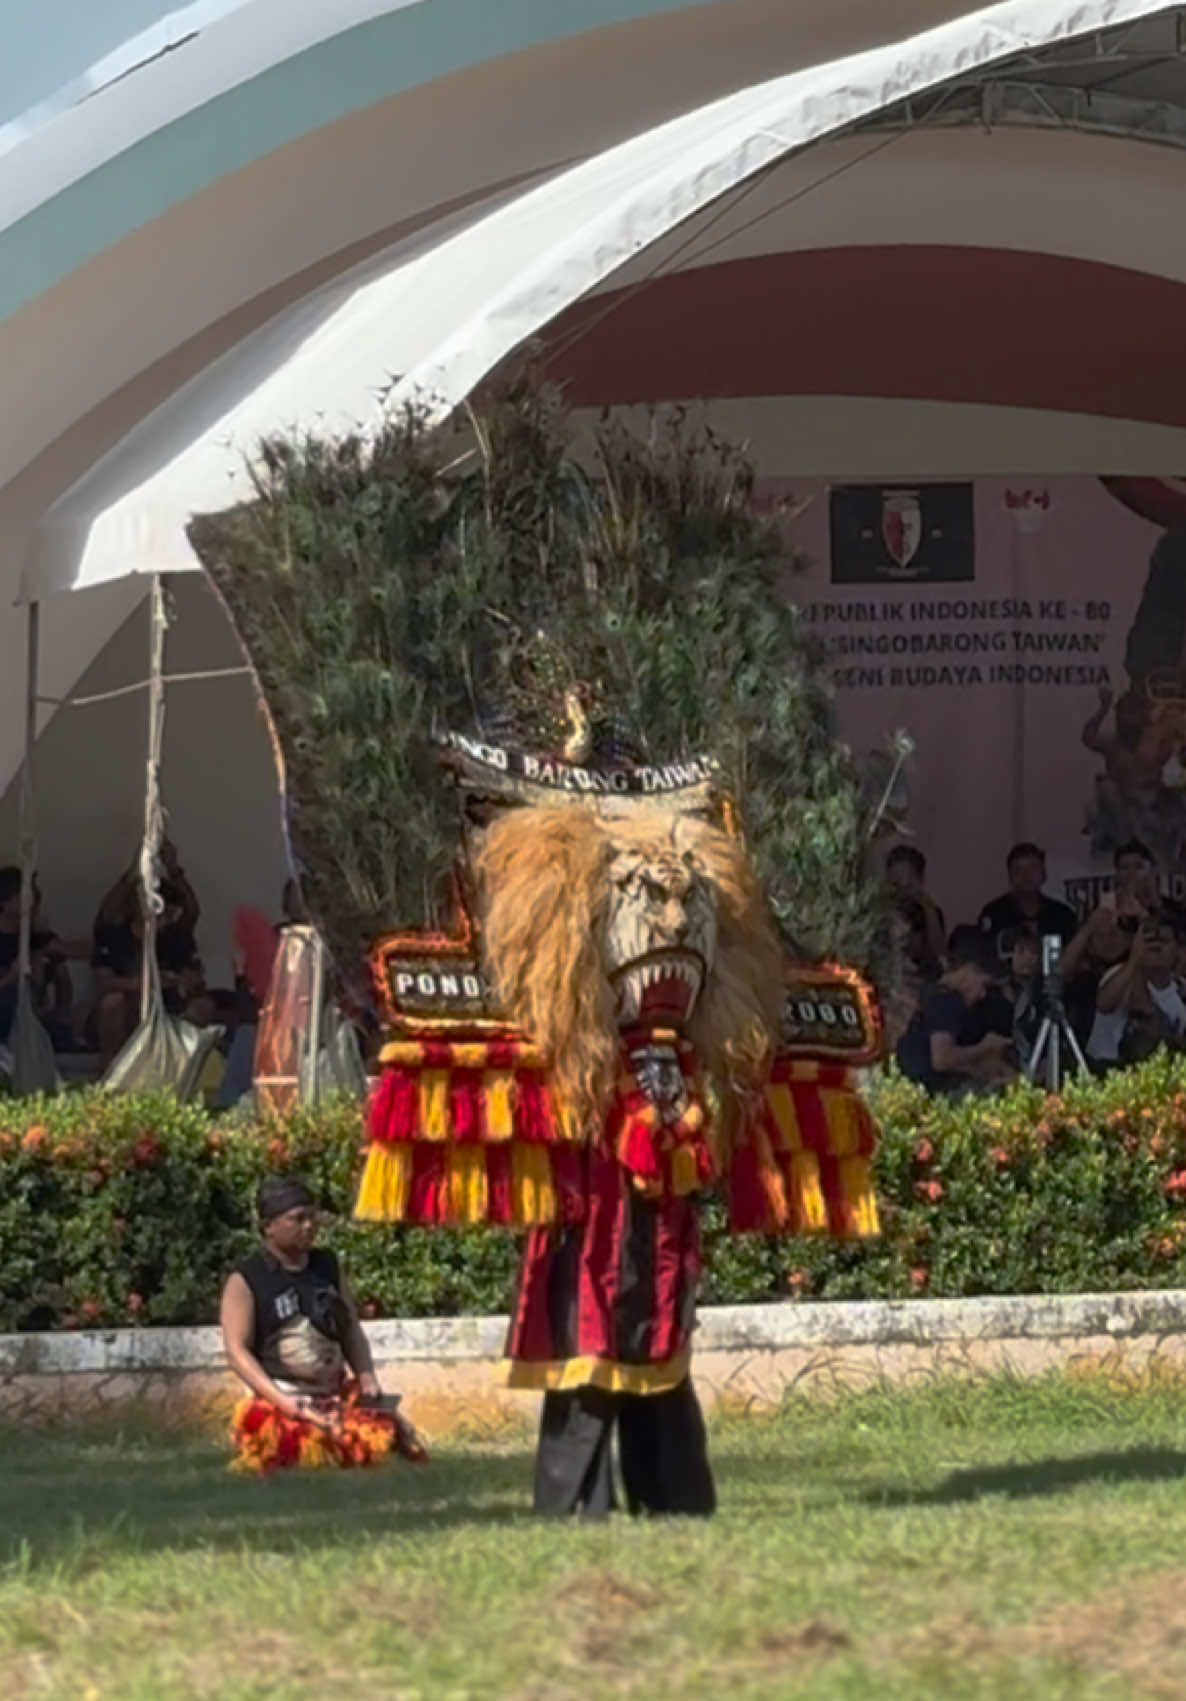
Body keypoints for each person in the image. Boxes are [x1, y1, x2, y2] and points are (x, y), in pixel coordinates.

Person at [220, 1176, 428, 1473]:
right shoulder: (246, 1279)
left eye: (312, 1218)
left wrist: (367, 1377)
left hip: (334, 1394)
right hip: (283, 1397)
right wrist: (286, 1403)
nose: (309, 1226)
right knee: (301, 1447)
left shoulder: (326, 1265)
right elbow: (236, 1352)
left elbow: (349, 1328)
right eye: (297, 1219)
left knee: (382, 1437)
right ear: (269, 1227)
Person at [92, 842, 204, 1065]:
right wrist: (138, 984)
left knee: (201, 1008)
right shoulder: (114, 934)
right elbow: (103, 982)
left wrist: (173, 868)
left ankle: (184, 1072)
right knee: (111, 1004)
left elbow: (192, 911)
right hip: (129, 1004)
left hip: (168, 1004)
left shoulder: (177, 937)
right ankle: (108, 1073)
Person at [896, 926, 1015, 1096]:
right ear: (970, 971)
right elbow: (942, 1059)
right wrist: (985, 1047)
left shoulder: (931, 993)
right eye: (983, 984)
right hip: (928, 1091)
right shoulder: (948, 1000)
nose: (982, 995)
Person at [1087, 913, 1186, 1068]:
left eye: (1163, 941)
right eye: (1148, 941)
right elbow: (1103, 1003)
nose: (1155, 946)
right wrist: (1134, 961)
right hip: (1105, 1069)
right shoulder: (1119, 973)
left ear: (1178, 948)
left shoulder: (1181, 990)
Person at [978, 843, 1077, 961]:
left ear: (1044, 874)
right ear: (1010, 877)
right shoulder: (994, 913)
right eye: (1018, 870)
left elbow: (1072, 959)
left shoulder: (1062, 914)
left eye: (1033, 868)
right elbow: (985, 958)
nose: (1026, 876)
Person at [885, 845, 946, 970]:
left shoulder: (927, 912)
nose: (900, 887)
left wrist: (928, 909)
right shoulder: (878, 912)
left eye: (906, 880)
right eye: (894, 881)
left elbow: (939, 955)